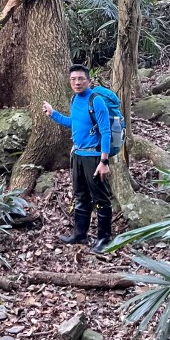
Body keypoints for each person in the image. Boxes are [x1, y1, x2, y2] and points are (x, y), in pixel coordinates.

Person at [43, 63, 114, 253]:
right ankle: (80, 235)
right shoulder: (75, 99)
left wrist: (104, 161)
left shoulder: (96, 101)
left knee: (101, 198)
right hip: (78, 155)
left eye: (81, 79)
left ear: (89, 81)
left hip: (94, 157)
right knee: (81, 196)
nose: (77, 82)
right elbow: (73, 123)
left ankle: (104, 239)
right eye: (73, 79)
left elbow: (106, 132)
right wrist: (53, 114)